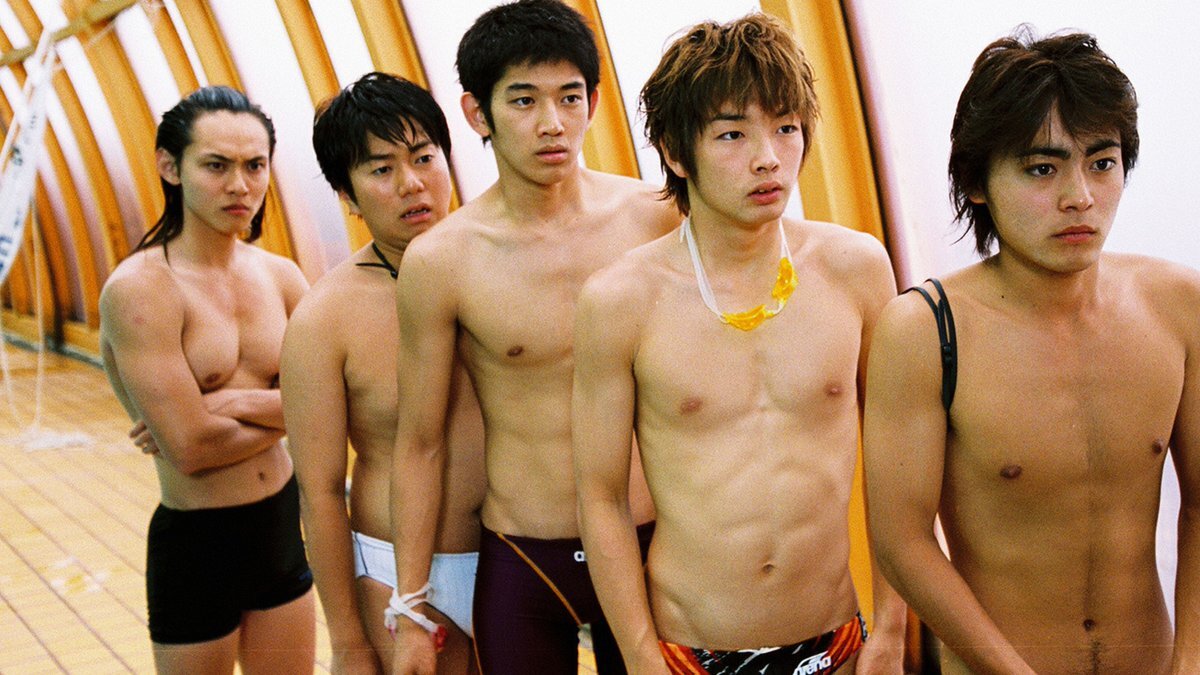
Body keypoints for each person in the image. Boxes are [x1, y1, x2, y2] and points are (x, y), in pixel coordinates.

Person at [573, 14, 906, 675]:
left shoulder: (856, 268)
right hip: (689, 646)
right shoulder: (620, 300)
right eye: (733, 133)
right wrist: (639, 655)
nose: (768, 158)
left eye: (786, 127)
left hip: (836, 637)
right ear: (674, 152)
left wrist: (893, 630)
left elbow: (901, 464)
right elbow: (602, 496)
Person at [863, 28, 1200, 674]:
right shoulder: (924, 331)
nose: (1080, 196)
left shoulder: (1179, 305)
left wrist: (1189, 660)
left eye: (1102, 163)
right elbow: (902, 543)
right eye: (1042, 169)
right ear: (977, 182)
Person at [387, 1, 681, 672]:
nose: (552, 122)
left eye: (569, 97)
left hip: (651, 538)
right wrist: (408, 608)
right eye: (523, 100)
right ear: (477, 113)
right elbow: (421, 442)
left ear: (594, 102)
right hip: (526, 551)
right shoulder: (442, 260)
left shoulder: (653, 218)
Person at [98, 86, 314, 673]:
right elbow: (191, 449)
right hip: (198, 541)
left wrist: (229, 402)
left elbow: (334, 404)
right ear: (171, 167)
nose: (240, 186)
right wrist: (288, 409)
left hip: (279, 524)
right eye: (216, 166)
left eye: (255, 166)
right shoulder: (142, 290)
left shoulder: (281, 277)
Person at [280, 73, 485, 674]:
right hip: (394, 569)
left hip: (515, 559)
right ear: (347, 194)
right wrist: (347, 641)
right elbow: (320, 491)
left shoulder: (506, 269)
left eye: (424, 157)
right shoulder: (325, 318)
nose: (411, 183)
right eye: (381, 169)